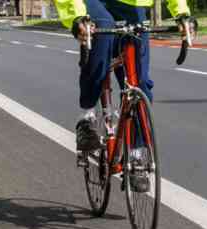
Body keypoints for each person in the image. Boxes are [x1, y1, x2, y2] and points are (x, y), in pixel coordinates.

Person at [52, 0, 194, 150]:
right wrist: (76, 15)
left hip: (133, 5)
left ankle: (138, 152)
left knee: (140, 83)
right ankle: (87, 117)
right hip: (94, 3)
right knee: (101, 29)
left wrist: (182, 13)